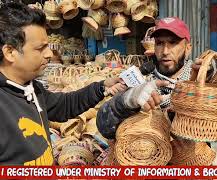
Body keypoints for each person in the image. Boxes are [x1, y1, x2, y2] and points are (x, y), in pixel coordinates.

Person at [0, 2, 126, 165]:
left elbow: (63, 106)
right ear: (10, 52)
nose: (49, 54)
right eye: (40, 48)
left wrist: (102, 87)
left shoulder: (31, 87)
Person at [96, 17, 217, 165]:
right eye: (159, 43)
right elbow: (104, 127)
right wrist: (126, 102)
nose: (165, 51)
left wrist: (208, 81)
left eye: (173, 43)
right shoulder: (140, 80)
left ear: (188, 48)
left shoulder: (201, 82)